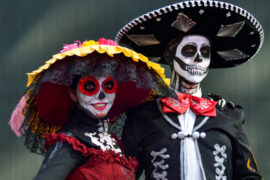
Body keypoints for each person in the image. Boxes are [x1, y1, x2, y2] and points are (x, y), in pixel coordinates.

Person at [115, 0, 264, 179]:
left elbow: (249, 176)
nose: (199, 59)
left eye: (205, 53)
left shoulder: (228, 116)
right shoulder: (143, 117)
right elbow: (124, 175)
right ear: (170, 57)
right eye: (189, 50)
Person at [9, 38, 171, 179]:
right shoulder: (71, 141)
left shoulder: (114, 142)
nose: (101, 96)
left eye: (108, 86)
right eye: (89, 86)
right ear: (73, 94)